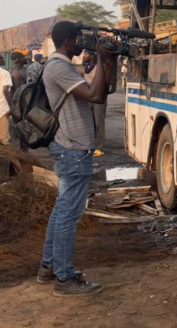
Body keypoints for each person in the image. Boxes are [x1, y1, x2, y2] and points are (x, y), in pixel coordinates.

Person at [38, 21, 112, 296]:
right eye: (79, 39)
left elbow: (103, 91)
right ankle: (64, 278)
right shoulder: (59, 67)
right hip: (73, 149)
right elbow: (95, 95)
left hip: (70, 148)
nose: (82, 43)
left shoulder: (64, 66)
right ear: (69, 40)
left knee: (62, 211)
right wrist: (102, 57)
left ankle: (49, 267)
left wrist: (109, 60)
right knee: (68, 216)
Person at [81, 51, 106, 150]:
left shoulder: (99, 68)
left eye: (86, 54)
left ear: (92, 56)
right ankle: (92, 142)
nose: (84, 56)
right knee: (90, 121)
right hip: (89, 96)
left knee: (99, 121)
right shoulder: (86, 67)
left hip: (98, 97)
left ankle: (99, 145)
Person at [0, 58, 12, 146]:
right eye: (2, 58)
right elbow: (5, 90)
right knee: (4, 139)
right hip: (2, 107)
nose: (4, 60)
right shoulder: (5, 73)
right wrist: (11, 106)